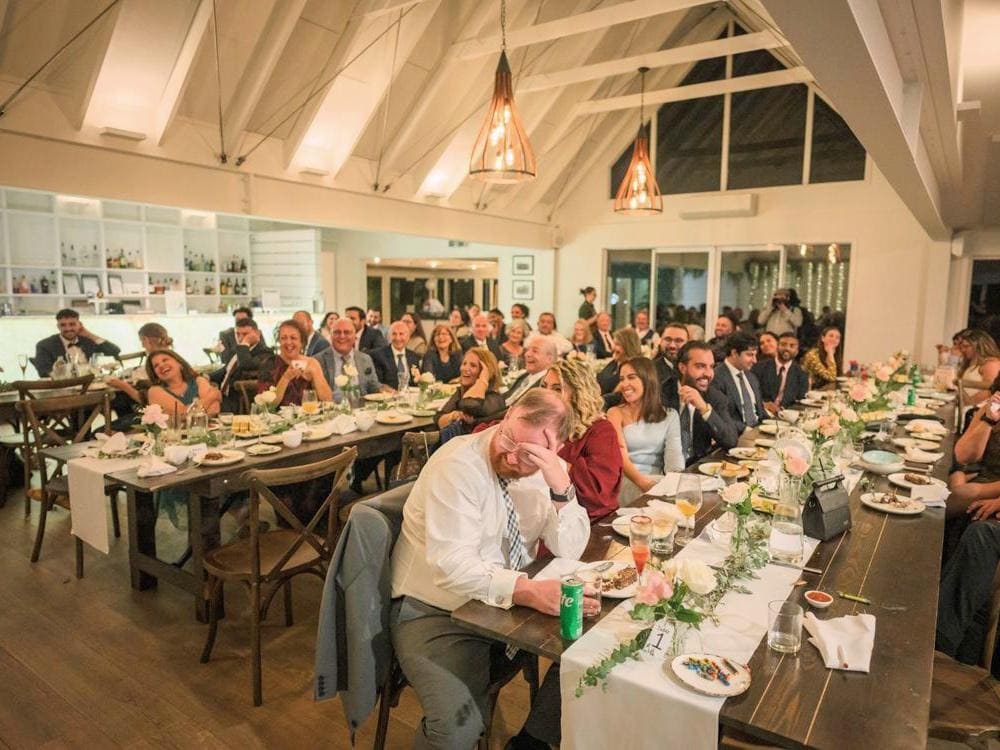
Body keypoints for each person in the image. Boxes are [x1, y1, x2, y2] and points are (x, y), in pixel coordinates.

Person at [390, 389, 591, 750]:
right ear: (508, 414)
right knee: (457, 729)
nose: (511, 456)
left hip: (502, 611)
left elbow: (571, 548)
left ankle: (530, 743)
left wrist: (561, 487)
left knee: (589, 657)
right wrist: (528, 590)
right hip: (436, 611)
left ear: (555, 448)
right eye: (508, 438)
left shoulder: (549, 471)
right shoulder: (458, 465)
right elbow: (452, 567)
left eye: (528, 454)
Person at [543, 358, 622, 521]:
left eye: (557, 389)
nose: (546, 394)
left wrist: (555, 463)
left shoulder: (601, 431)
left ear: (578, 394)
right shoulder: (543, 422)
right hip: (543, 512)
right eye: (544, 387)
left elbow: (598, 494)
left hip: (586, 521)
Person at [608, 357, 684, 504]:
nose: (624, 384)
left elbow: (674, 459)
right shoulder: (615, 413)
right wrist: (645, 485)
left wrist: (674, 485)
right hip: (627, 481)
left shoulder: (670, 415)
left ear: (648, 379)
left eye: (631, 377)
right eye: (622, 379)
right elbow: (620, 456)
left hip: (658, 483)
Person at [662, 341, 740, 465]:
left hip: (698, 467)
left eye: (711, 366)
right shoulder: (661, 393)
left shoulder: (715, 397)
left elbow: (730, 441)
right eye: (700, 366)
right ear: (682, 368)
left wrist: (704, 409)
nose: (708, 374)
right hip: (665, 467)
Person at [948, 386, 1000, 519]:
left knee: (961, 492)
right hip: (984, 475)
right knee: (954, 476)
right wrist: (989, 420)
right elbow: (962, 456)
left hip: (995, 484)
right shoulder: (992, 407)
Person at [258, 319, 333, 406]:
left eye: (293, 338)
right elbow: (267, 405)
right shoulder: (269, 364)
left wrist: (315, 374)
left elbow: (328, 400)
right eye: (284, 338)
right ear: (279, 341)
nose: (288, 342)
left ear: (302, 342)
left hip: (308, 413)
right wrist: (286, 378)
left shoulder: (312, 362)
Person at [209, 318, 275, 413]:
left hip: (239, 399)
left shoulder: (265, 352)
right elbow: (227, 370)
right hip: (223, 395)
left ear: (257, 333)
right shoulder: (238, 350)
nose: (240, 338)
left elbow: (246, 365)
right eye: (238, 334)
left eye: (245, 334)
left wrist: (245, 343)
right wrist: (205, 376)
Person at [33, 308, 121, 377]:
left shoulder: (88, 340)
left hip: (92, 383)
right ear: (58, 326)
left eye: (72, 324)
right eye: (63, 325)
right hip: (65, 388)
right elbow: (43, 372)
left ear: (79, 324)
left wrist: (88, 334)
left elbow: (114, 351)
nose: (68, 329)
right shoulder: (45, 345)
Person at [436, 348, 506, 433]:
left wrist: (483, 380)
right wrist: (453, 415)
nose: (465, 368)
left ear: (485, 372)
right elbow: (438, 419)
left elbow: (468, 405)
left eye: (473, 365)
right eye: (464, 364)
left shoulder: (495, 398)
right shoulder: (461, 392)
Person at [106, 322, 173, 405]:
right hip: (163, 402)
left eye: (142, 341)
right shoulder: (170, 356)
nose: (142, 346)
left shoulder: (158, 361)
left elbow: (146, 400)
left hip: (159, 406)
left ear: (146, 339)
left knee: (117, 400)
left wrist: (122, 385)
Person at [712, 332, 767, 431]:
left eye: (755, 355)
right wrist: (747, 430)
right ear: (734, 353)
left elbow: (761, 412)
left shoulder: (752, 377)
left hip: (759, 430)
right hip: (737, 434)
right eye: (750, 355)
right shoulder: (716, 377)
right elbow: (720, 416)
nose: (755, 361)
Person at [316, 318, 381, 403]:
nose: (342, 336)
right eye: (337, 332)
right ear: (331, 336)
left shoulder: (365, 359)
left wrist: (384, 389)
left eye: (347, 332)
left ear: (355, 336)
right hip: (331, 409)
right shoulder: (318, 361)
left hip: (361, 409)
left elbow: (374, 388)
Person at [145, 350, 221, 417]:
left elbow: (214, 410)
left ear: (179, 363)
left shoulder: (199, 381)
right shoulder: (154, 391)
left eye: (165, 360)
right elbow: (181, 414)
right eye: (156, 366)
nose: (161, 365)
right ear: (155, 374)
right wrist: (212, 396)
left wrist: (191, 410)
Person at [753, 332, 808, 413]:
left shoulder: (801, 373)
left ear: (797, 351)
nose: (787, 348)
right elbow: (750, 394)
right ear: (777, 346)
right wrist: (763, 404)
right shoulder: (759, 367)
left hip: (787, 414)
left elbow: (801, 400)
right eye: (783, 344)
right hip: (762, 412)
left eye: (792, 346)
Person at [504, 335, 557, 406]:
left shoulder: (547, 385)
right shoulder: (525, 375)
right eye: (527, 350)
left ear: (549, 359)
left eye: (535, 351)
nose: (527, 354)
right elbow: (506, 397)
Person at [957, 329, 1000, 412]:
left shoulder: (991, 363)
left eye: (966, 346)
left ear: (979, 345)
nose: (963, 350)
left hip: (976, 409)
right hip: (966, 407)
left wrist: (970, 403)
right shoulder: (971, 362)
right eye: (962, 347)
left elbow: (991, 390)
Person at [371, 321, 422, 390]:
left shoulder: (414, 357)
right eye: (394, 334)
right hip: (388, 395)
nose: (397, 338)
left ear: (408, 337)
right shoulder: (379, 356)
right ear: (389, 336)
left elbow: (416, 383)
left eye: (401, 334)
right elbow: (378, 383)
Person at [597, 328, 642, 397]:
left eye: (617, 344)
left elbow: (614, 396)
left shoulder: (631, 369)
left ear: (628, 346)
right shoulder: (615, 362)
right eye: (614, 343)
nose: (613, 348)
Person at [801, 326, 843, 390]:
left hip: (825, 390)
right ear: (823, 338)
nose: (834, 339)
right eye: (831, 336)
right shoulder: (813, 355)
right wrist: (830, 356)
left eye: (837, 337)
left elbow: (837, 377)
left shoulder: (836, 355)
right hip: (809, 390)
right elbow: (831, 377)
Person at [655, 322, 689, 395]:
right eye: (668, 339)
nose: (672, 346)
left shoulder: (694, 370)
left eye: (678, 340)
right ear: (661, 341)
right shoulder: (649, 371)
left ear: (688, 343)